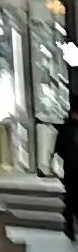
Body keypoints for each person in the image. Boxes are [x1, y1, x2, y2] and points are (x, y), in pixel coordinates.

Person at [53, 103, 78, 241]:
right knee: (72, 198)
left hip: (70, 168)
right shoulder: (68, 129)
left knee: (71, 197)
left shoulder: (64, 129)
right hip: (72, 168)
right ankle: (69, 223)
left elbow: (59, 149)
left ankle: (69, 224)